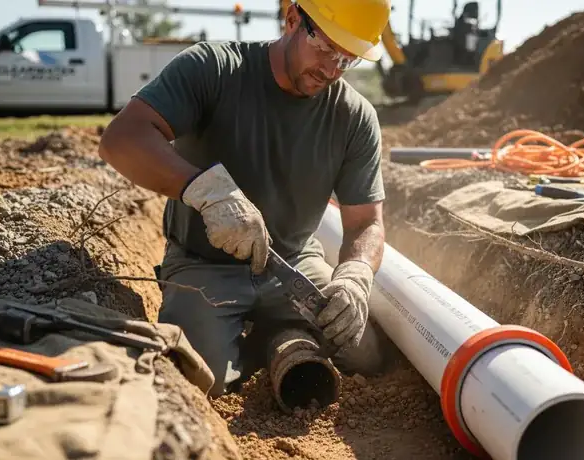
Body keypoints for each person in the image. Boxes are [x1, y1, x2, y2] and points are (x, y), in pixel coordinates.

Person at [97, 0, 392, 397]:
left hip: (294, 262)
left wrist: (356, 275)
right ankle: (269, 336)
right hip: (205, 264)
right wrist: (207, 192)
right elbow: (122, 139)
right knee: (202, 377)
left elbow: (366, 223)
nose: (331, 70)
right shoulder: (215, 68)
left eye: (347, 59)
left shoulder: (354, 117)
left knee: (363, 354)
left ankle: (278, 334)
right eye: (324, 48)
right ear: (292, 19)